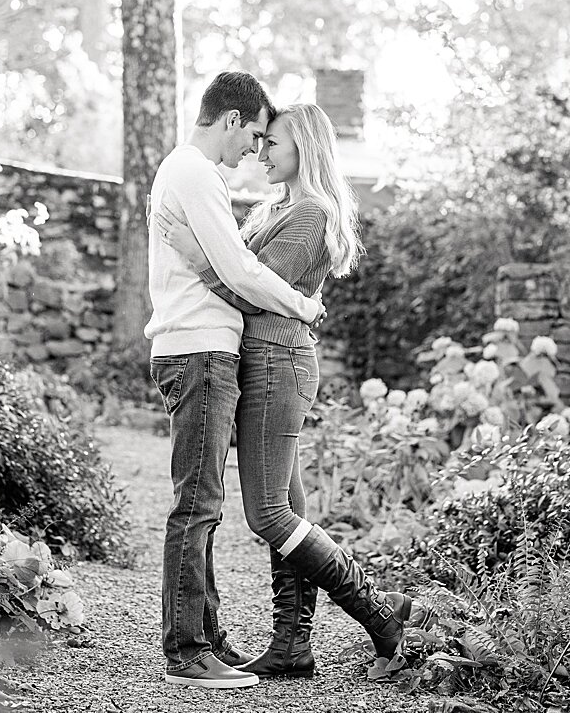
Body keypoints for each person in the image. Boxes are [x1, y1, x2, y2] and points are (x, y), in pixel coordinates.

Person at [154, 102, 427, 683]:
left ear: (303, 146)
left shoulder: (311, 213)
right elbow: (246, 273)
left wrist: (198, 258)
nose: (261, 152)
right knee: (290, 508)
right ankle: (291, 645)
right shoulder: (274, 207)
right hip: (264, 363)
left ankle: (381, 616)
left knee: (269, 515)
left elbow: (254, 292)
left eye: (272, 143)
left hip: (280, 363)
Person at [145, 72, 327, 690]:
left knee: (209, 504)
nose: (253, 150)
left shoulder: (197, 175)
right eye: (253, 135)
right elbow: (240, 271)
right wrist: (302, 306)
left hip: (209, 349)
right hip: (198, 349)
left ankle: (205, 634)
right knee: (198, 505)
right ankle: (187, 650)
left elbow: (234, 267)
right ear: (230, 120)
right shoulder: (195, 173)